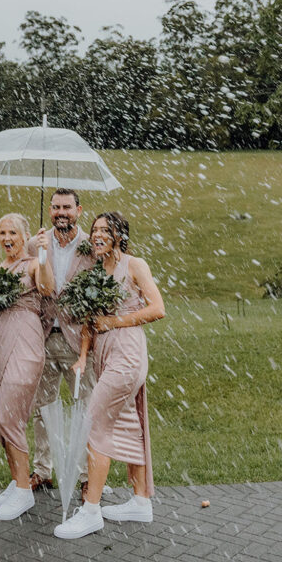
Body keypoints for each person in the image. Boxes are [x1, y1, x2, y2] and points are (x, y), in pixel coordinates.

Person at [54, 212, 165, 540]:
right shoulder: (94, 273)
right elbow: (90, 321)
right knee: (129, 421)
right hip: (103, 355)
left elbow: (158, 308)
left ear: (119, 235)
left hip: (127, 355)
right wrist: (83, 358)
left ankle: (90, 511)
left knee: (94, 422)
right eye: (95, 230)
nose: (97, 234)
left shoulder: (135, 265)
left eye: (105, 230)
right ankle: (141, 501)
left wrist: (115, 322)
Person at [0, 213, 55, 522]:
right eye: (2, 232)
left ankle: (24, 491)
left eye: (13, 232)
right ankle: (16, 478)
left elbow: (47, 288)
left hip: (25, 339)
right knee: (3, 416)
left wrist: (44, 254)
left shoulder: (34, 264)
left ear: (25, 237)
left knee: (9, 413)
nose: (7, 238)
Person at [25, 189, 97, 495]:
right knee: (42, 406)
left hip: (79, 341)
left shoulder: (91, 247)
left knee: (86, 407)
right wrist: (40, 254)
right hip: (42, 336)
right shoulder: (35, 243)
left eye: (67, 207)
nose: (60, 212)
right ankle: (43, 470)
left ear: (79, 211)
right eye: (55, 207)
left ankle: (85, 477)